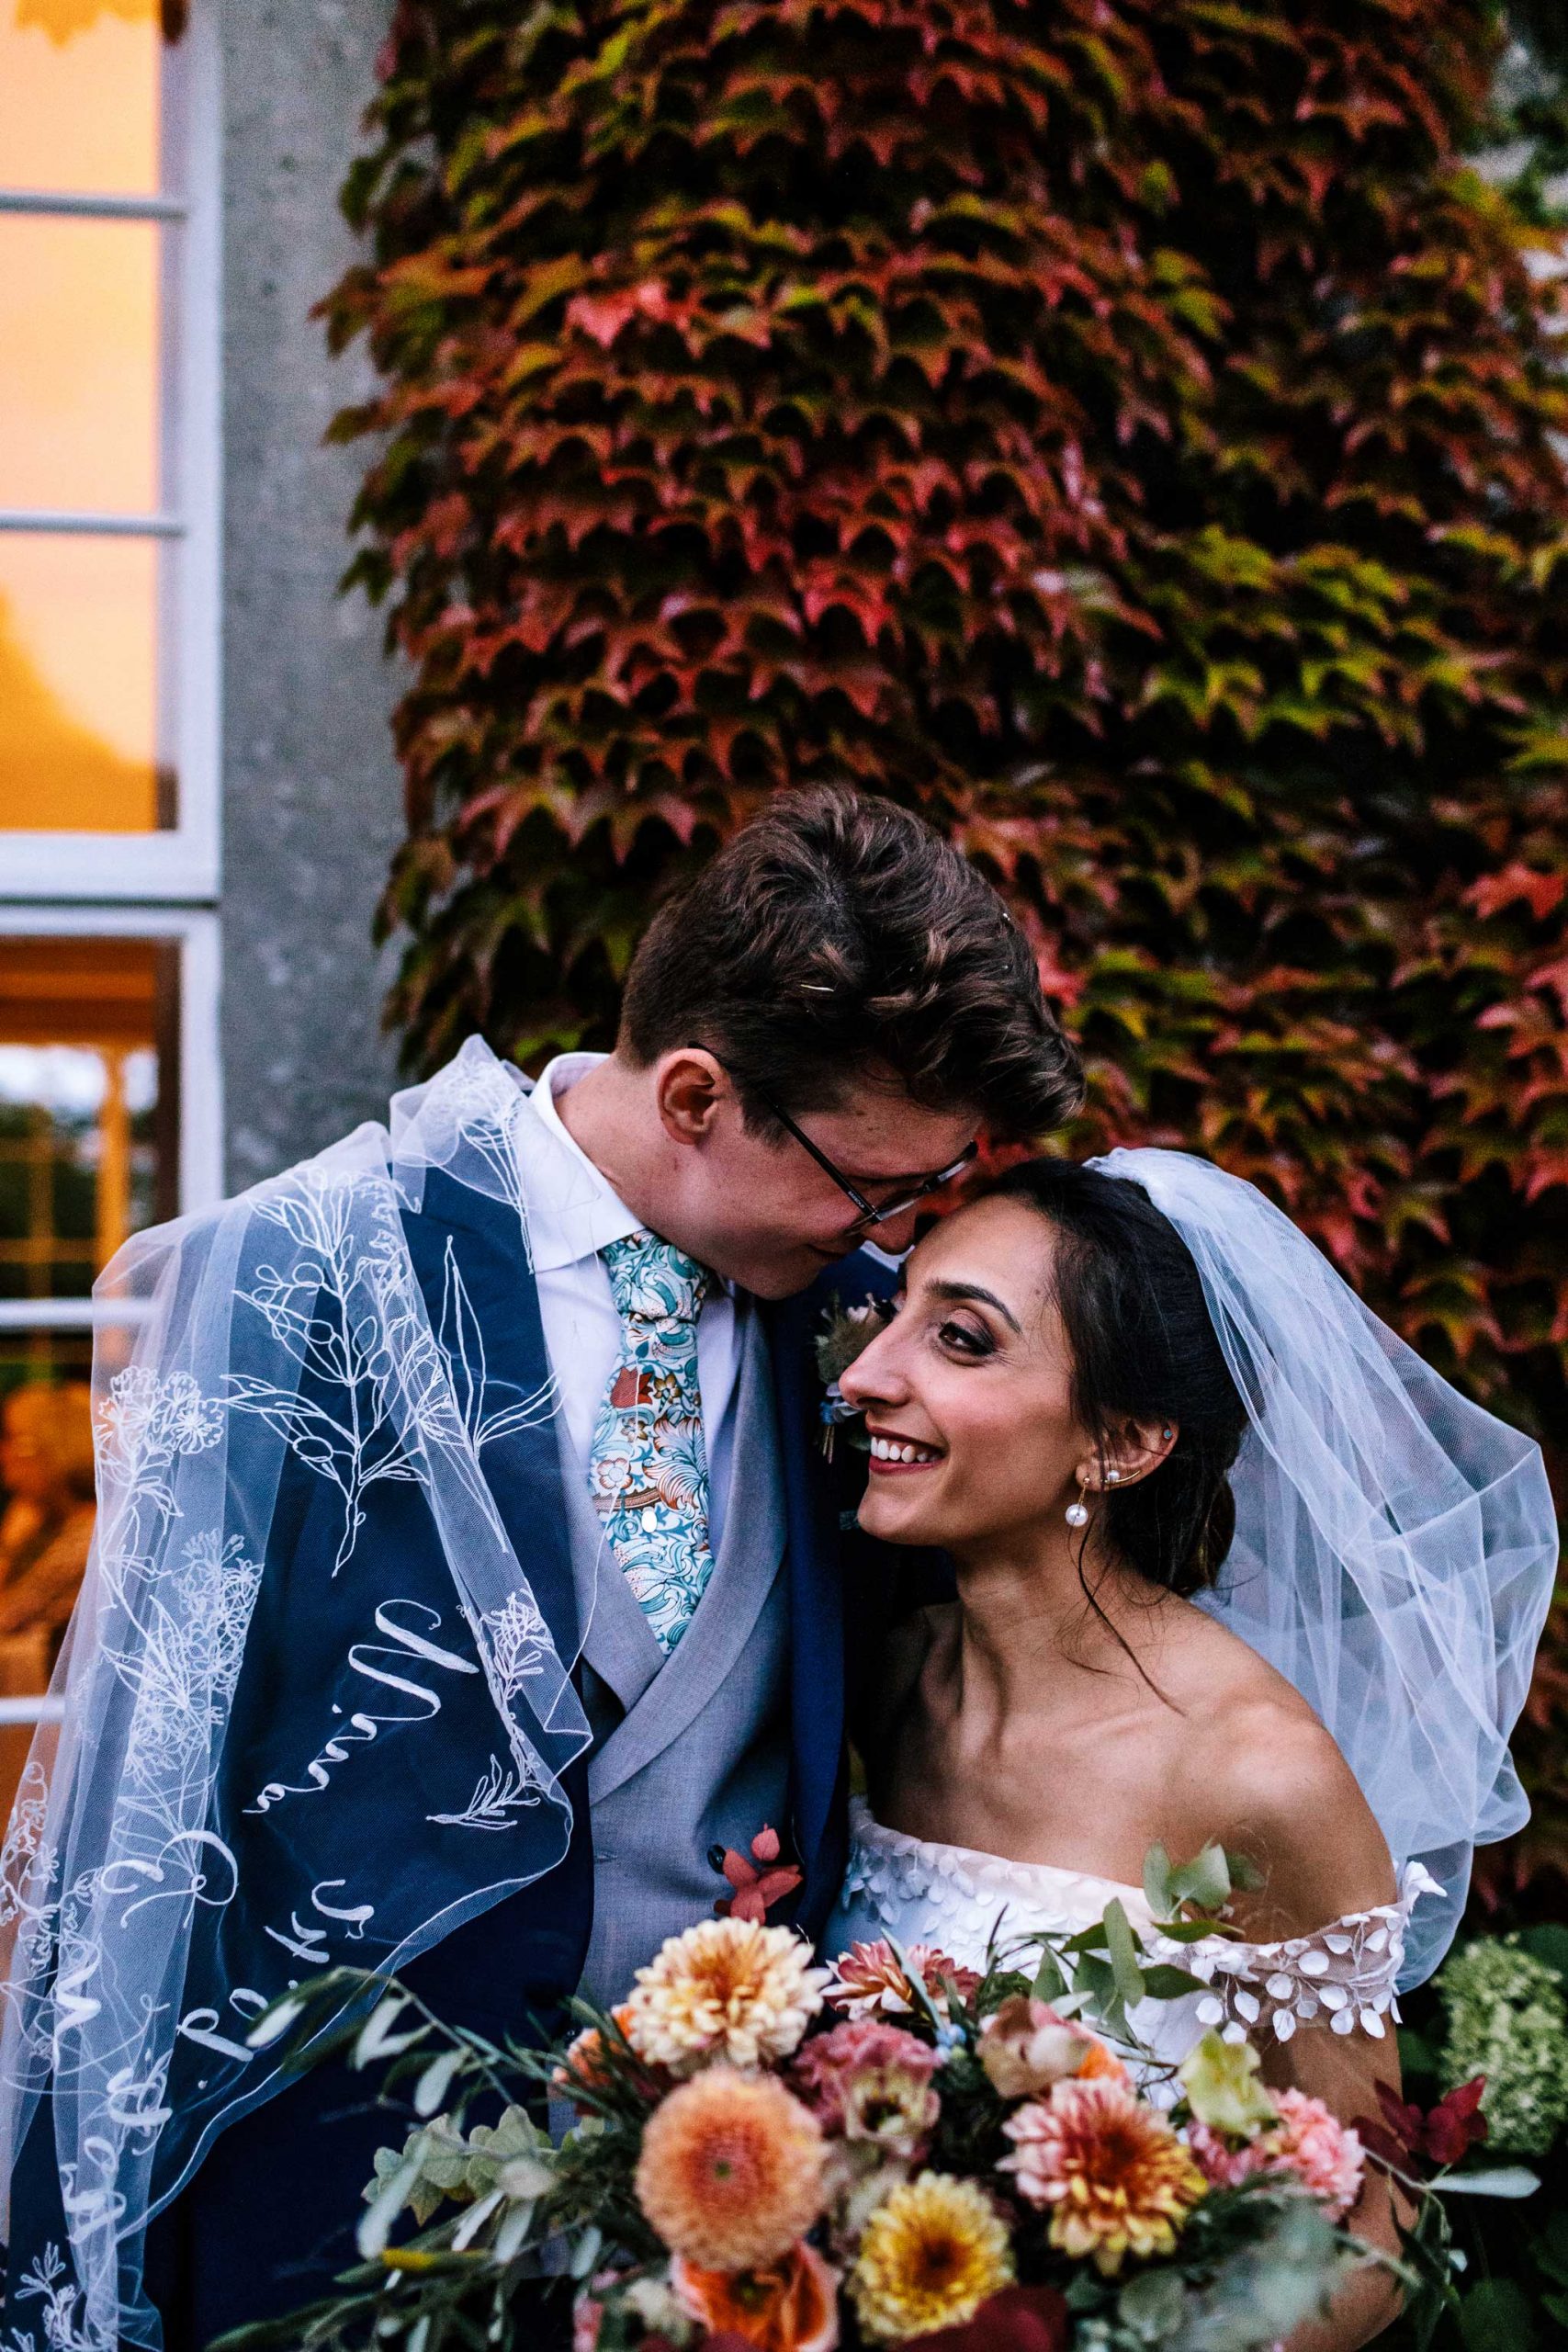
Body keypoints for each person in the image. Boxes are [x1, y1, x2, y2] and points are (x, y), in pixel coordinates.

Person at [0, 787, 1081, 2352]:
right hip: (330, 2216)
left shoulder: (872, 1335)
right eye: (873, 1189)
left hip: (727, 2219)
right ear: (700, 1095)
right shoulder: (296, 1276)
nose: (903, 1235)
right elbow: (145, 1819)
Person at [824, 1154, 1556, 2352]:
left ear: (1120, 1444)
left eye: (960, 1340)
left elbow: (1378, 2216)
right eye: (893, 1310)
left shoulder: (1251, 1774)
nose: (863, 1376)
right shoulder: (894, 1684)